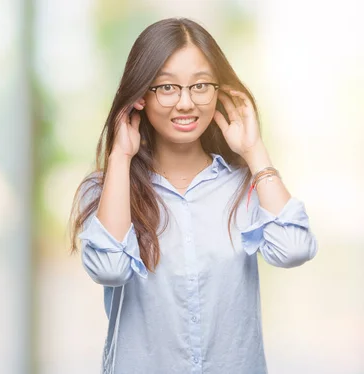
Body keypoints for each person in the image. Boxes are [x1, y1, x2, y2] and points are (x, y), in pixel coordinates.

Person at [68, 18, 318, 374]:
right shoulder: (108, 188)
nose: (185, 103)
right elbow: (109, 269)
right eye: (167, 87)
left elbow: (294, 249)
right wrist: (121, 157)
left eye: (200, 85)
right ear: (140, 95)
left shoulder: (245, 186)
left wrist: (254, 150)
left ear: (219, 92)